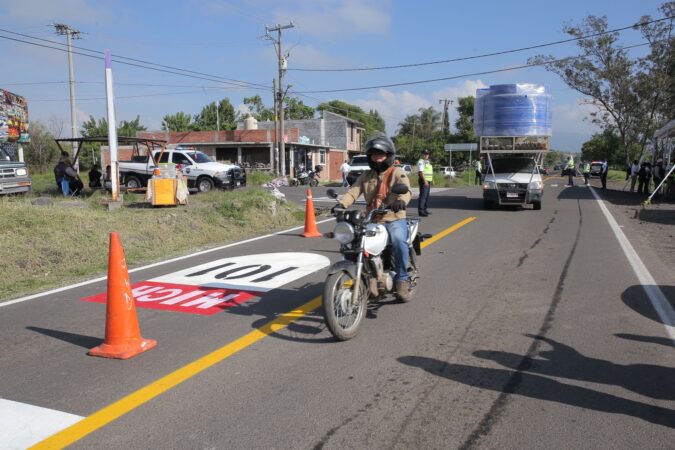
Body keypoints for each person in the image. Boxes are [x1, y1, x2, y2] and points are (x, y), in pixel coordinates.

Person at [333, 134, 413, 300]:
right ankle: (367, 276)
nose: (377, 159)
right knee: (355, 242)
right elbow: (353, 191)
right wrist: (341, 205)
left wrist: (401, 202)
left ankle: (402, 279)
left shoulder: (397, 172)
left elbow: (406, 190)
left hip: (393, 217)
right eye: (374, 155)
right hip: (372, 218)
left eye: (380, 155)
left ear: (388, 156)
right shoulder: (366, 175)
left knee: (398, 241)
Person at [417, 149, 433, 216]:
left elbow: (429, 171)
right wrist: (425, 180)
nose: (426, 155)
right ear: (422, 154)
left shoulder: (427, 162)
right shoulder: (421, 162)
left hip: (428, 181)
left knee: (426, 196)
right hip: (424, 181)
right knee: (423, 196)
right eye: (425, 154)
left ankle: (424, 209)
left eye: (427, 154)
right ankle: (421, 211)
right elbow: (421, 172)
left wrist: (432, 180)